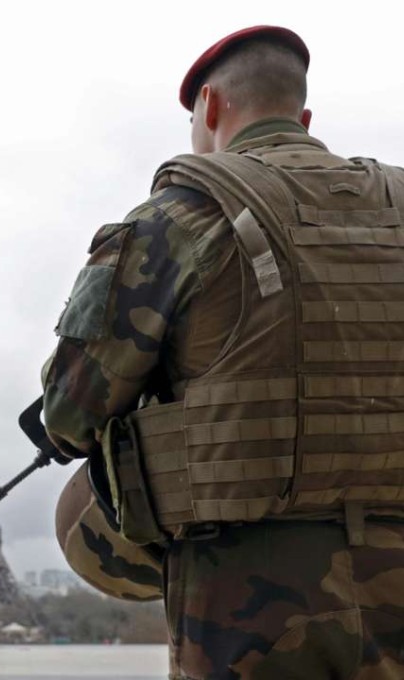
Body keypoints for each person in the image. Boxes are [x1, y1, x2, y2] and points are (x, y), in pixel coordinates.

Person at [43, 25, 404, 679]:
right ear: (305, 117)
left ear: (209, 109)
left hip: (250, 593)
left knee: (80, 506)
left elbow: (68, 415)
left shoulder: (175, 219)